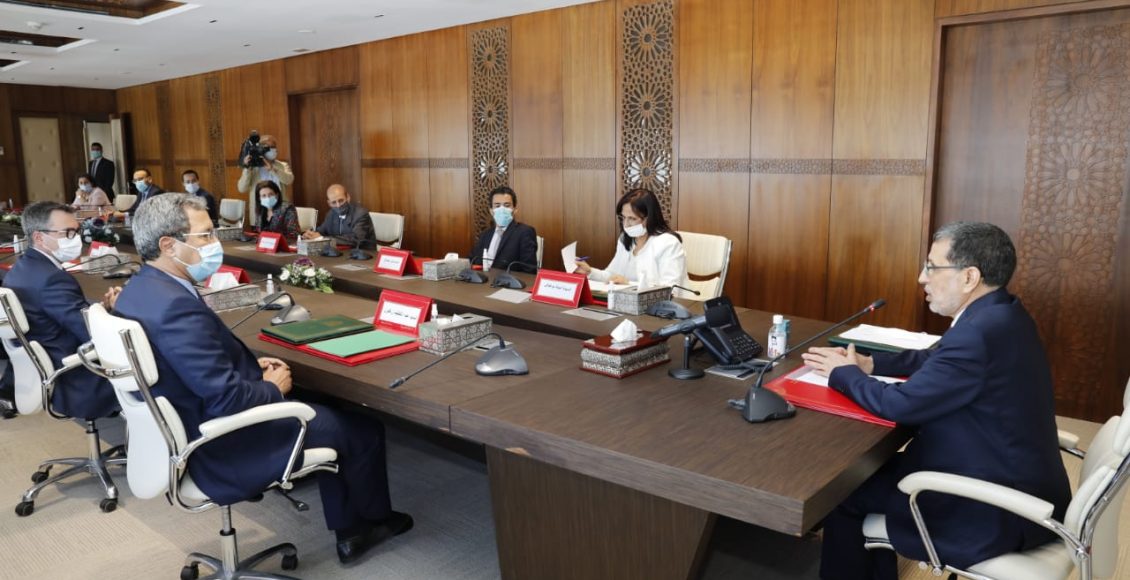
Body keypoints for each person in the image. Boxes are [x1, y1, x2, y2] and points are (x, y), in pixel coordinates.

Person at [114, 194, 412, 564]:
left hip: (188, 421)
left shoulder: (139, 291)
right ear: (168, 245)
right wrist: (271, 387)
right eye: (205, 235)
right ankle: (366, 526)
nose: (215, 243)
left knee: (326, 407)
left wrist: (251, 367)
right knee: (363, 430)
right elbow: (225, 399)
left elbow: (188, 364)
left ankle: (347, 521)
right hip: (221, 442)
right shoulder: (174, 306)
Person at [802, 222, 1071, 580]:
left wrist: (844, 374)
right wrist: (871, 364)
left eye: (932, 267)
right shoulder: (1002, 312)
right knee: (861, 476)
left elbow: (900, 405)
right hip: (1009, 473)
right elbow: (936, 358)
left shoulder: (978, 333)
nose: (921, 278)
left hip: (992, 507)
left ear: (969, 277)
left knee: (840, 493)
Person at [2, 201, 121, 419]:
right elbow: (91, 333)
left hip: (51, 365)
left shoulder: (22, 268)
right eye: (67, 233)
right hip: (78, 379)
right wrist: (115, 311)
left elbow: (62, 314)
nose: (75, 239)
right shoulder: (52, 279)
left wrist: (100, 309)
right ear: (39, 237)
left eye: (76, 231)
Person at [574, 188, 686, 288]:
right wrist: (590, 272)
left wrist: (629, 285)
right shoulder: (625, 239)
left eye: (632, 218)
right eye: (623, 217)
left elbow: (671, 289)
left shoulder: (668, 243)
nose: (626, 224)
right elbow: (613, 275)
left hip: (667, 304)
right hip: (627, 301)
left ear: (649, 218)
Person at [469, 186, 538, 273]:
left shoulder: (525, 232)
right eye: (497, 206)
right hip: (482, 279)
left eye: (507, 205)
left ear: (515, 210)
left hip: (508, 280)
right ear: (491, 211)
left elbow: (529, 271)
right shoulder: (485, 235)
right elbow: (472, 260)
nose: (502, 209)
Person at [236, 134, 294, 228]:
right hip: (259, 213)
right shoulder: (253, 168)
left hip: (281, 211)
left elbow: (289, 180)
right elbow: (242, 188)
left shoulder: (282, 165)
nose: (273, 150)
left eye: (274, 147)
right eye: (268, 147)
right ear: (261, 149)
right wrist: (247, 168)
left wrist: (272, 169)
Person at [302, 184, 377, 249]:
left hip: (363, 254)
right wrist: (310, 234)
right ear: (329, 203)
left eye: (341, 201)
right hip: (340, 253)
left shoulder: (361, 214)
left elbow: (355, 240)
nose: (338, 205)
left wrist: (321, 238)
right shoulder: (331, 214)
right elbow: (321, 231)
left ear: (348, 197)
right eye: (334, 202)